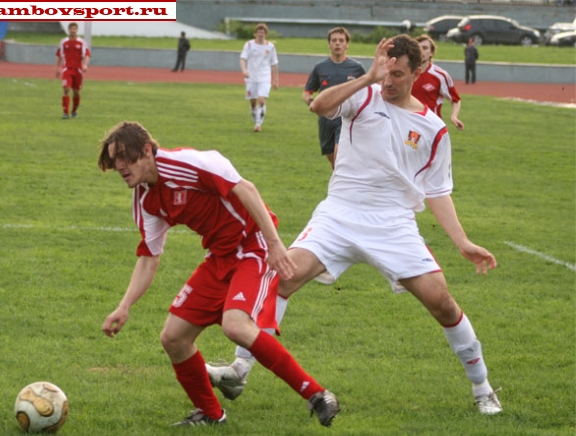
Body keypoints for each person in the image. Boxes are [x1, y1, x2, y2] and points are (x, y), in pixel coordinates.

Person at [207, 35, 503, 416]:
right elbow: (318, 105)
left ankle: (483, 389)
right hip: (339, 214)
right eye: (385, 72)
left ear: (418, 72)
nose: (389, 81)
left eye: (398, 74)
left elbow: (437, 190)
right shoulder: (363, 95)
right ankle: (239, 369)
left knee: (442, 303)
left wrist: (461, 241)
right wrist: (368, 78)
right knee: (280, 279)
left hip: (393, 224)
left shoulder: (433, 129)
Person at [98, 121, 339, 428]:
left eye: (124, 158)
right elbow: (149, 256)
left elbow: (245, 188)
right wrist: (125, 305)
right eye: (113, 160)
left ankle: (317, 395)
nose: (119, 166)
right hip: (219, 258)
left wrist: (276, 245)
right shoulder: (146, 198)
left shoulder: (189, 164)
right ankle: (211, 414)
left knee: (236, 326)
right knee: (173, 338)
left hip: (253, 247)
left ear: (146, 150)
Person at [302, 27, 366, 168]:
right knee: (332, 159)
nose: (338, 43)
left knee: (339, 155)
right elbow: (307, 92)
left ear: (347, 45)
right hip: (326, 119)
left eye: (341, 40)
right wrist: (311, 103)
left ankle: (344, 186)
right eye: (334, 40)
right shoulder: (320, 67)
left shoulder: (357, 68)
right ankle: (341, 183)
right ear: (329, 44)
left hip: (346, 118)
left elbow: (367, 91)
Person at [412, 34, 463, 131]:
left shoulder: (440, 75)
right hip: (409, 124)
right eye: (418, 48)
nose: (421, 51)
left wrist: (454, 116)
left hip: (432, 127)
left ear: (431, 53)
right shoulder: (406, 74)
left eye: (425, 48)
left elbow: (455, 99)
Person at [240, 23, 279, 132]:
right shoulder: (249, 45)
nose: (260, 34)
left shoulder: (270, 47)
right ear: (255, 33)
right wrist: (244, 70)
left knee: (261, 100)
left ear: (266, 34)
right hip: (251, 77)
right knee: (253, 102)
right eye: (259, 32)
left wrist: (276, 79)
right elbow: (243, 59)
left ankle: (258, 124)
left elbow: (274, 64)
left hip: (264, 77)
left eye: (263, 32)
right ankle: (254, 113)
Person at [55, 22, 91, 119]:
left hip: (78, 70)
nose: (72, 30)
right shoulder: (63, 42)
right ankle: (65, 113)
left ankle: (74, 111)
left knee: (76, 92)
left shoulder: (81, 42)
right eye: (71, 28)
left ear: (77, 30)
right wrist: (57, 68)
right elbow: (59, 55)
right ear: (69, 30)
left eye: (74, 28)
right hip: (67, 69)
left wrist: (85, 65)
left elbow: (87, 54)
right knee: (66, 89)